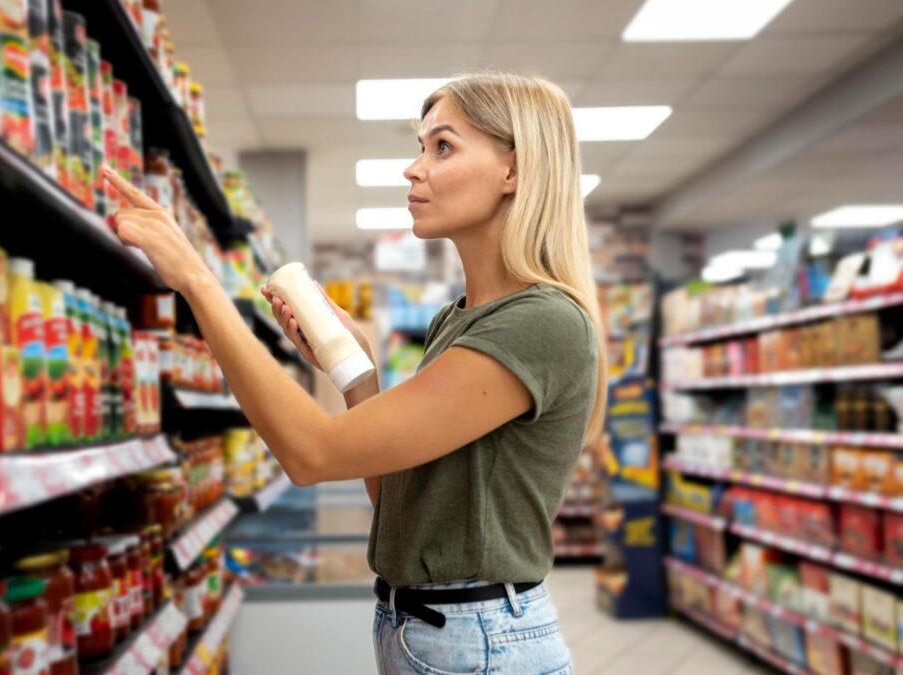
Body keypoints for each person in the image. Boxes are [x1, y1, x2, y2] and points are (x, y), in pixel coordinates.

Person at [102, 72, 605, 675]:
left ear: (513, 170)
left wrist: (197, 282)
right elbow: (396, 503)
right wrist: (354, 372)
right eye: (421, 147)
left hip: (479, 641)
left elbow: (311, 454)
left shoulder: (541, 321)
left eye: (442, 147)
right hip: (426, 627)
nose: (413, 169)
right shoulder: (457, 319)